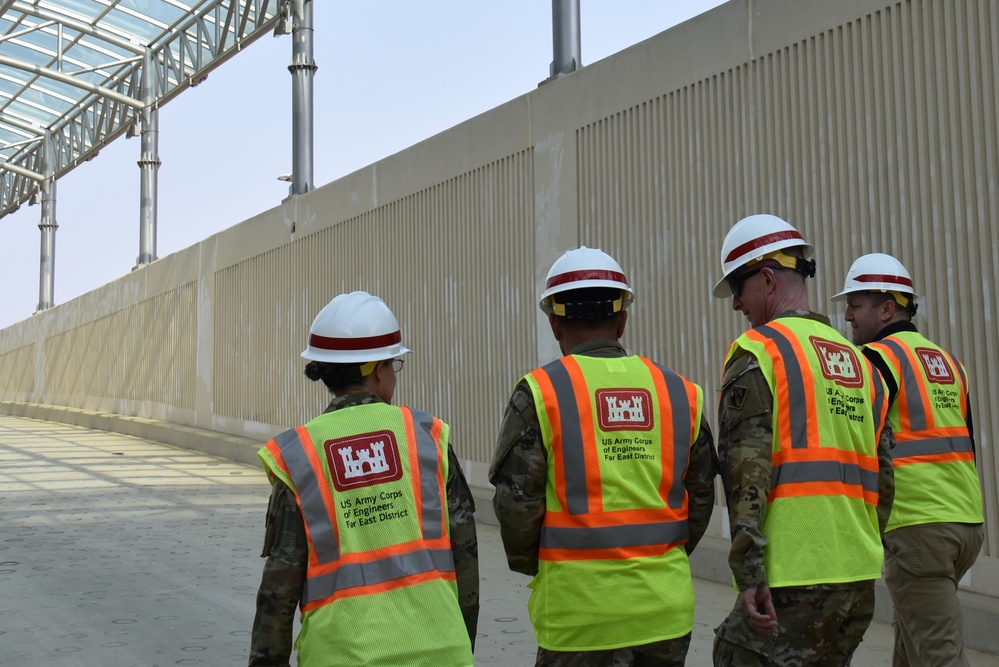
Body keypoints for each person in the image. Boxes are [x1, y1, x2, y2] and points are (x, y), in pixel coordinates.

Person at [488, 246, 718, 667]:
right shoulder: (680, 393)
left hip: (578, 618)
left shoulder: (542, 393)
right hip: (665, 612)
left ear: (555, 324)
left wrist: (537, 567)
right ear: (622, 319)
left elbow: (516, 507)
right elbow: (701, 498)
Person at [248, 291, 478, 667]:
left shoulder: (301, 453)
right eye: (393, 365)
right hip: (441, 651)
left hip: (341, 656)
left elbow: (279, 586)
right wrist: (459, 641)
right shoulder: (425, 437)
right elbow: (466, 556)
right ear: (376, 370)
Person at [710, 215, 895, 666]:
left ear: (768, 278)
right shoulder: (862, 364)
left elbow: (745, 476)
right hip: (857, 578)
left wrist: (748, 573)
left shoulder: (759, 352)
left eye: (737, 288)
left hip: (790, 577)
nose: (735, 304)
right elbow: (885, 481)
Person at [832, 253, 985, 667]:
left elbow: (857, 443)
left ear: (887, 308)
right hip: (965, 523)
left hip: (918, 528)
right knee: (911, 648)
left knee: (938, 655)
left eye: (856, 304)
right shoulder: (949, 363)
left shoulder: (875, 361)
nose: (846, 315)